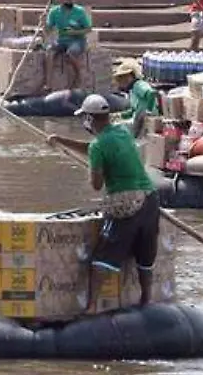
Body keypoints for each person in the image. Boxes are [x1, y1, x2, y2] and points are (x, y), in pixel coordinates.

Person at [47, 95, 160, 309]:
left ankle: (90, 308)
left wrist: (94, 170)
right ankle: (146, 299)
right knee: (145, 258)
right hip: (150, 200)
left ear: (90, 119)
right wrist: (61, 141)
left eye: (85, 119)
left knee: (102, 260)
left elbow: (97, 185)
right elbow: (93, 147)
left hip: (127, 204)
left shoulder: (98, 147)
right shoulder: (122, 133)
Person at [45, 0, 92, 89]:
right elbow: (48, 29)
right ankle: (48, 83)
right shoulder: (54, 12)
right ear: (62, 0)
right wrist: (44, 22)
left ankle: (79, 76)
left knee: (70, 54)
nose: (70, 1)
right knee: (49, 52)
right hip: (62, 40)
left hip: (77, 40)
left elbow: (88, 29)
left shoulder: (79, 11)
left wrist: (74, 32)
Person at [113, 61, 159, 137]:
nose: (123, 80)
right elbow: (134, 110)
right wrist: (119, 115)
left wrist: (149, 110)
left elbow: (151, 93)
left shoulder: (139, 85)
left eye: (125, 76)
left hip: (146, 120)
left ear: (132, 75)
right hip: (138, 119)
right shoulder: (132, 91)